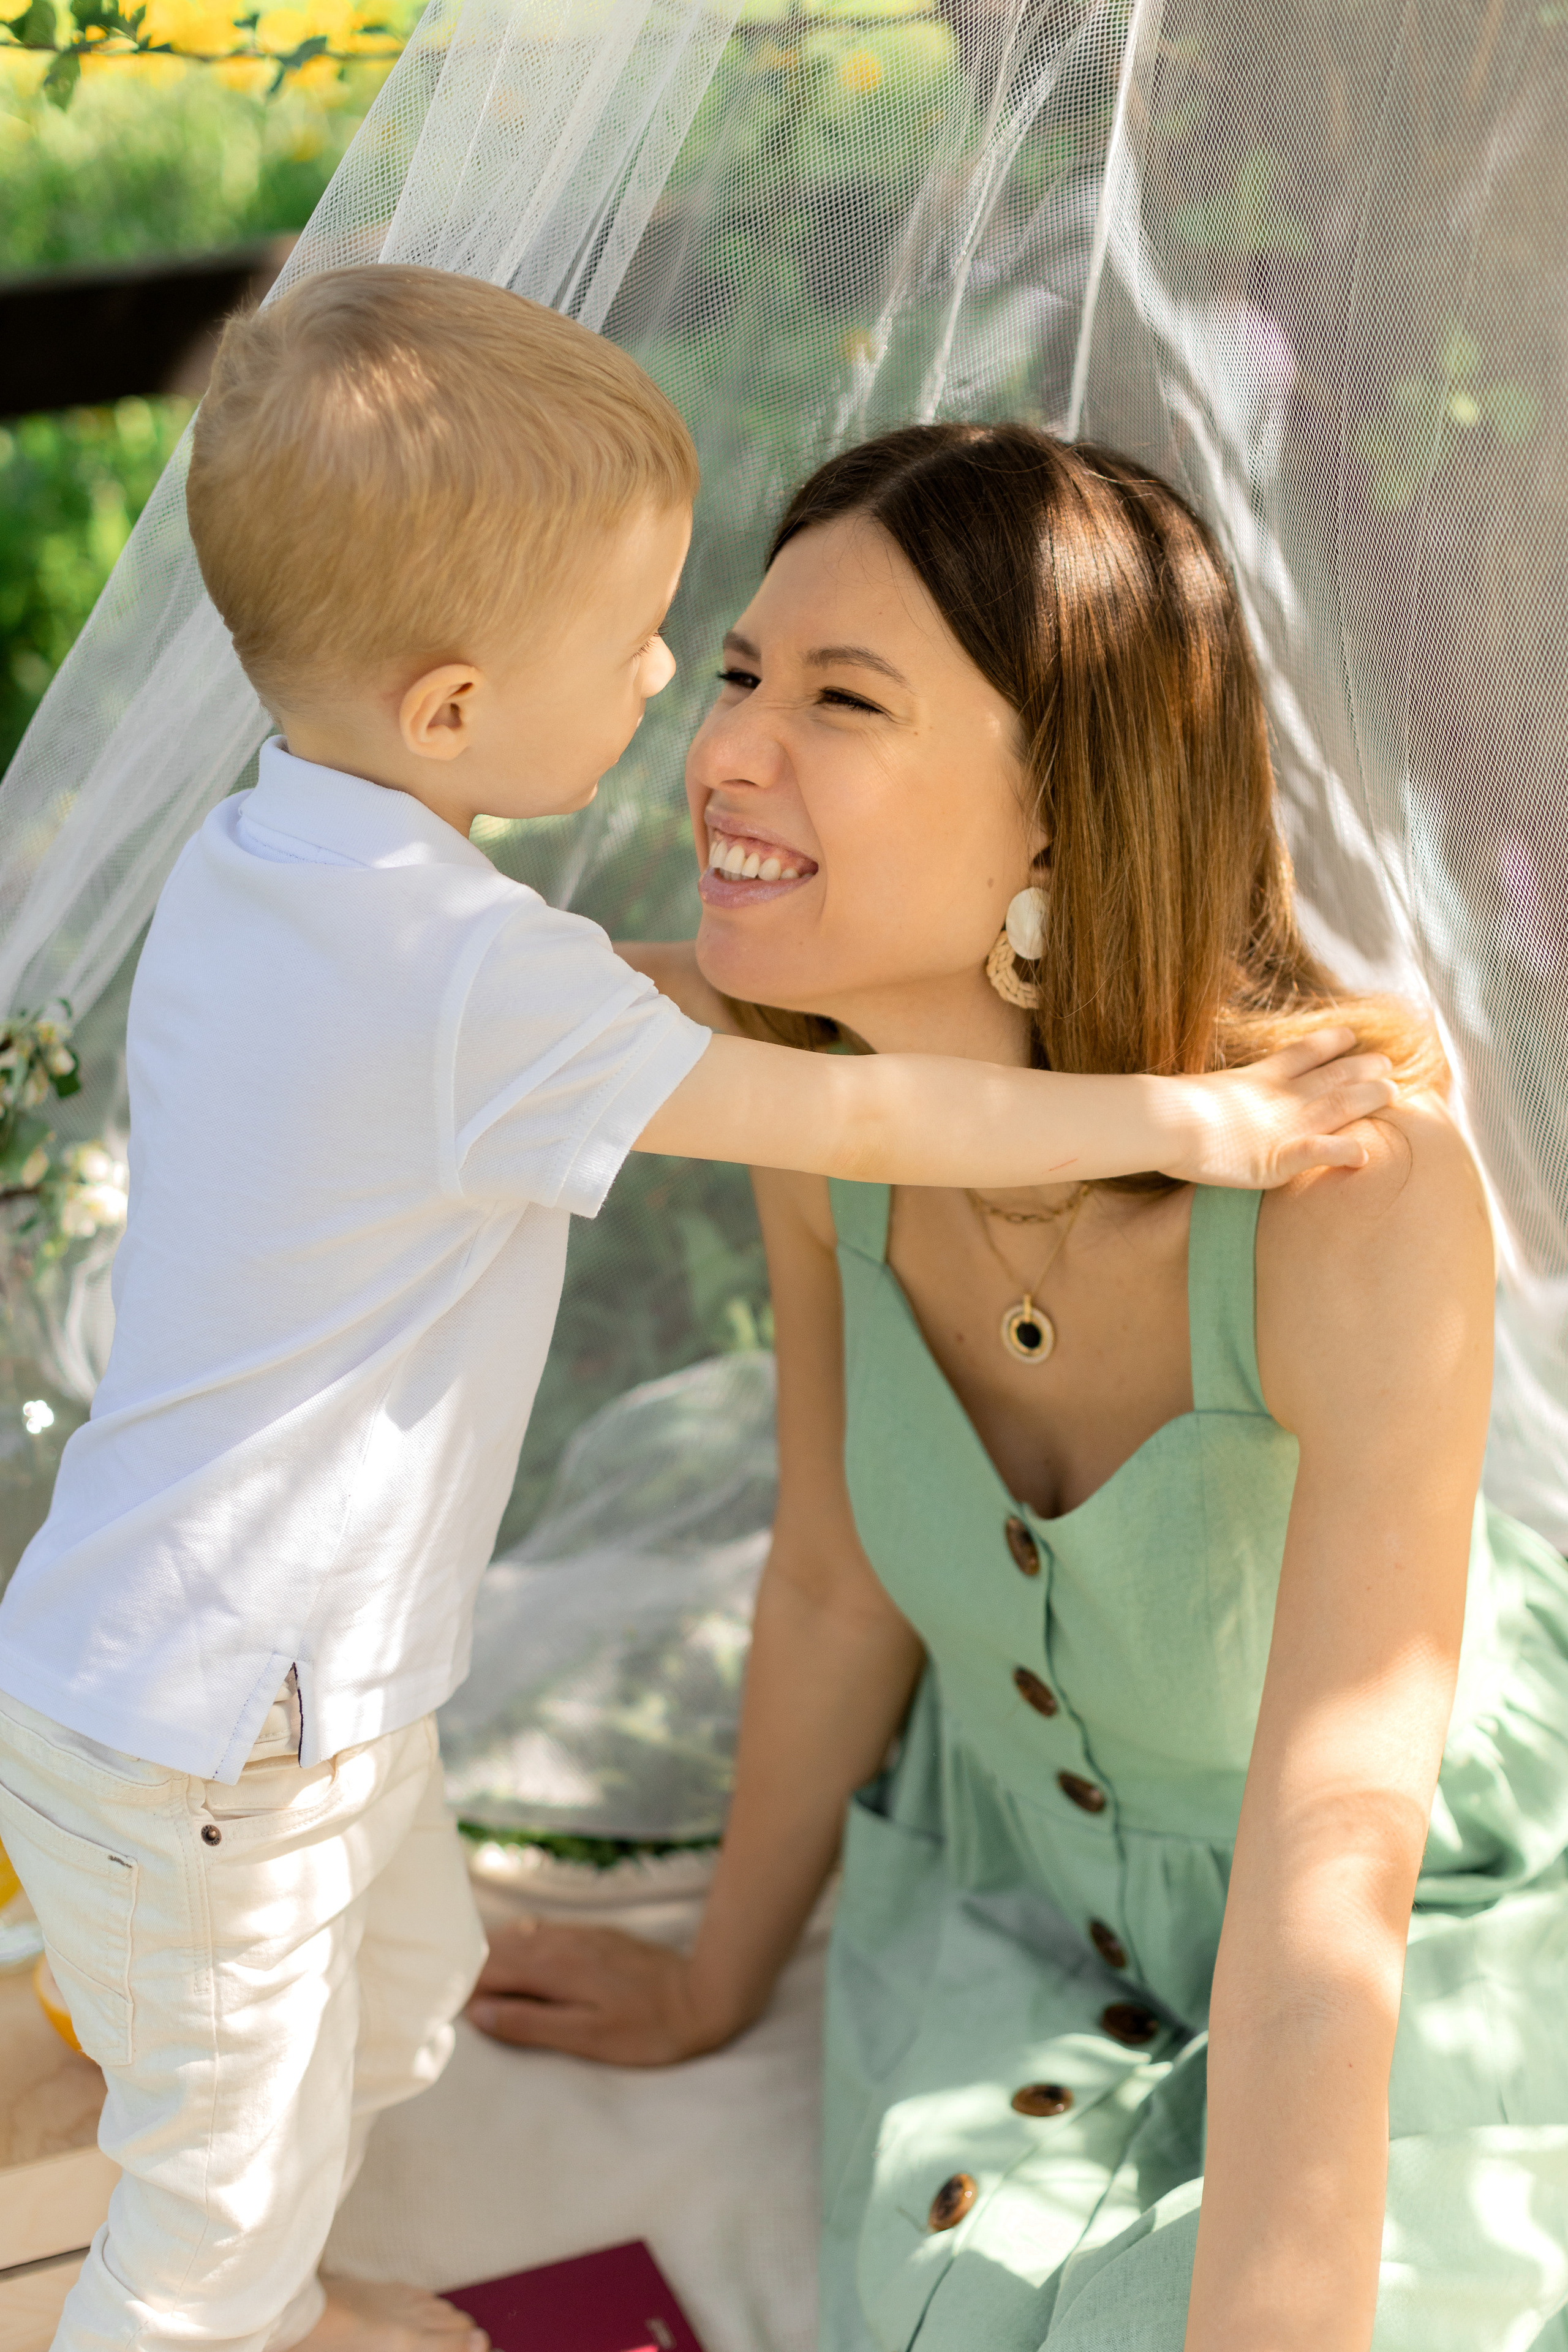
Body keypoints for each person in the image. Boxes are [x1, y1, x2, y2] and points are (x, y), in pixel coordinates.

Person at [0, 285, 1386, 2352]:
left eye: (815, 687)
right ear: (456, 708)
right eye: (670, 650)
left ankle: (264, 2279)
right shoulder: (477, 989)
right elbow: (842, 1102)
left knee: (386, 2025)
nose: (684, 702)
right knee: (221, 2189)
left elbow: (645, 1015)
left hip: (208, 1677)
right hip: (239, 1724)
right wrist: (1196, 1117)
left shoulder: (283, 866)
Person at [467, 422, 1568, 2351]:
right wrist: (721, 1978)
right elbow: (834, 1576)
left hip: (1430, 1921)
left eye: (841, 698)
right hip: (1015, 1906)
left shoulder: (1349, 1204)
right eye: (736, 676)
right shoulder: (813, 1111)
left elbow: (1333, 1859)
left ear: (1062, 807)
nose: (725, 749)